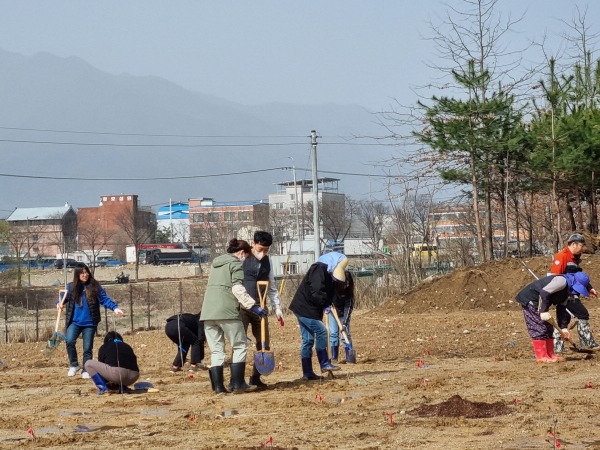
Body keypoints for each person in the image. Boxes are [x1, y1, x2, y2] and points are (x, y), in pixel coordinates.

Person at [200, 238, 267, 394]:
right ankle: (238, 384)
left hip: (208, 312)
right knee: (240, 345)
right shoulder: (235, 264)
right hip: (227, 311)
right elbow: (237, 289)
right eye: (246, 256)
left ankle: (218, 387)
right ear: (242, 253)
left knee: (217, 351)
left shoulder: (216, 264)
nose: (245, 260)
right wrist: (253, 306)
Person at [59, 263, 125, 379]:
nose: (85, 275)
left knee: (87, 348)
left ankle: (86, 369)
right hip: (74, 322)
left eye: (86, 272)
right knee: (69, 341)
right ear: (77, 274)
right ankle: (74, 365)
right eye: (82, 273)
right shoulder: (71, 287)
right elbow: (62, 298)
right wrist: (59, 303)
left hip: (89, 323)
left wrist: (115, 308)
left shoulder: (94, 286)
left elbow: (104, 299)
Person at [289, 251, 348, 380]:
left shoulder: (329, 273)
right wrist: (324, 303)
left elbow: (329, 292)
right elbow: (317, 291)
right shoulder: (318, 269)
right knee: (322, 331)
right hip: (305, 308)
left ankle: (307, 373)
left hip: (309, 309)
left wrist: (328, 303)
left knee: (308, 340)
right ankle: (324, 363)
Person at [240, 230, 285, 389]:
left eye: (266, 250)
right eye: (260, 249)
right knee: (240, 344)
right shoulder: (243, 257)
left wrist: (277, 308)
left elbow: (271, 287)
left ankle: (255, 377)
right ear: (253, 244)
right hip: (243, 308)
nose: (263, 253)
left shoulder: (268, 261)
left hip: (261, 308)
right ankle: (237, 380)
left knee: (264, 343)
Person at [515, 271, 592, 363]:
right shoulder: (561, 281)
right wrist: (543, 311)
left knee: (549, 328)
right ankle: (542, 357)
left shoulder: (568, 291)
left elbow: (562, 308)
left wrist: (563, 328)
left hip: (541, 303)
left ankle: (551, 354)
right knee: (539, 327)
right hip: (531, 300)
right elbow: (544, 293)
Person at [549, 233, 599, 351]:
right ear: (574, 244)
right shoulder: (562, 256)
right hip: (566, 294)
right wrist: (557, 295)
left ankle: (557, 348)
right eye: (582, 245)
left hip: (573, 292)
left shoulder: (575, 258)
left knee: (563, 322)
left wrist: (589, 288)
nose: (583, 248)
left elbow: (577, 276)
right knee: (582, 314)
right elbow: (554, 276)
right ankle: (587, 342)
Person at [327, 270, 355, 363]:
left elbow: (348, 308)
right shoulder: (333, 287)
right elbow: (327, 298)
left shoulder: (349, 292)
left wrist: (344, 323)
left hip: (343, 314)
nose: (346, 285)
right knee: (333, 334)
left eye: (348, 283)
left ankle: (349, 356)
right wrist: (327, 305)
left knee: (345, 334)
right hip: (333, 312)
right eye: (345, 282)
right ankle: (334, 358)